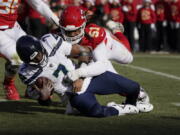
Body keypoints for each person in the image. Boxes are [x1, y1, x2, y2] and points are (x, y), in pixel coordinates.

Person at [16, 34, 153, 117]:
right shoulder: (27, 73)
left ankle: (131, 103)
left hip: (88, 77)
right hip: (73, 95)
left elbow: (84, 52)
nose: (39, 59)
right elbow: (46, 102)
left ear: (41, 46)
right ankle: (121, 109)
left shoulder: (50, 42)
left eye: (39, 54)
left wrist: (80, 76)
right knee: (95, 111)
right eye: (34, 59)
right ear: (26, 61)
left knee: (133, 87)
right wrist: (44, 97)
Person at [0, 0, 59, 100]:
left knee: (35, 51)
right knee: (17, 58)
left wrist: (57, 21)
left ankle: (32, 87)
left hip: (13, 26)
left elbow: (38, 4)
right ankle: (8, 84)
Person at [59, 6, 132, 74]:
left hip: (110, 46)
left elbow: (102, 65)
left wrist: (78, 74)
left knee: (128, 59)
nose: (72, 35)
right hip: (94, 55)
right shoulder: (59, 38)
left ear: (83, 26)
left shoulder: (93, 36)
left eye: (76, 31)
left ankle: (116, 30)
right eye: (68, 32)